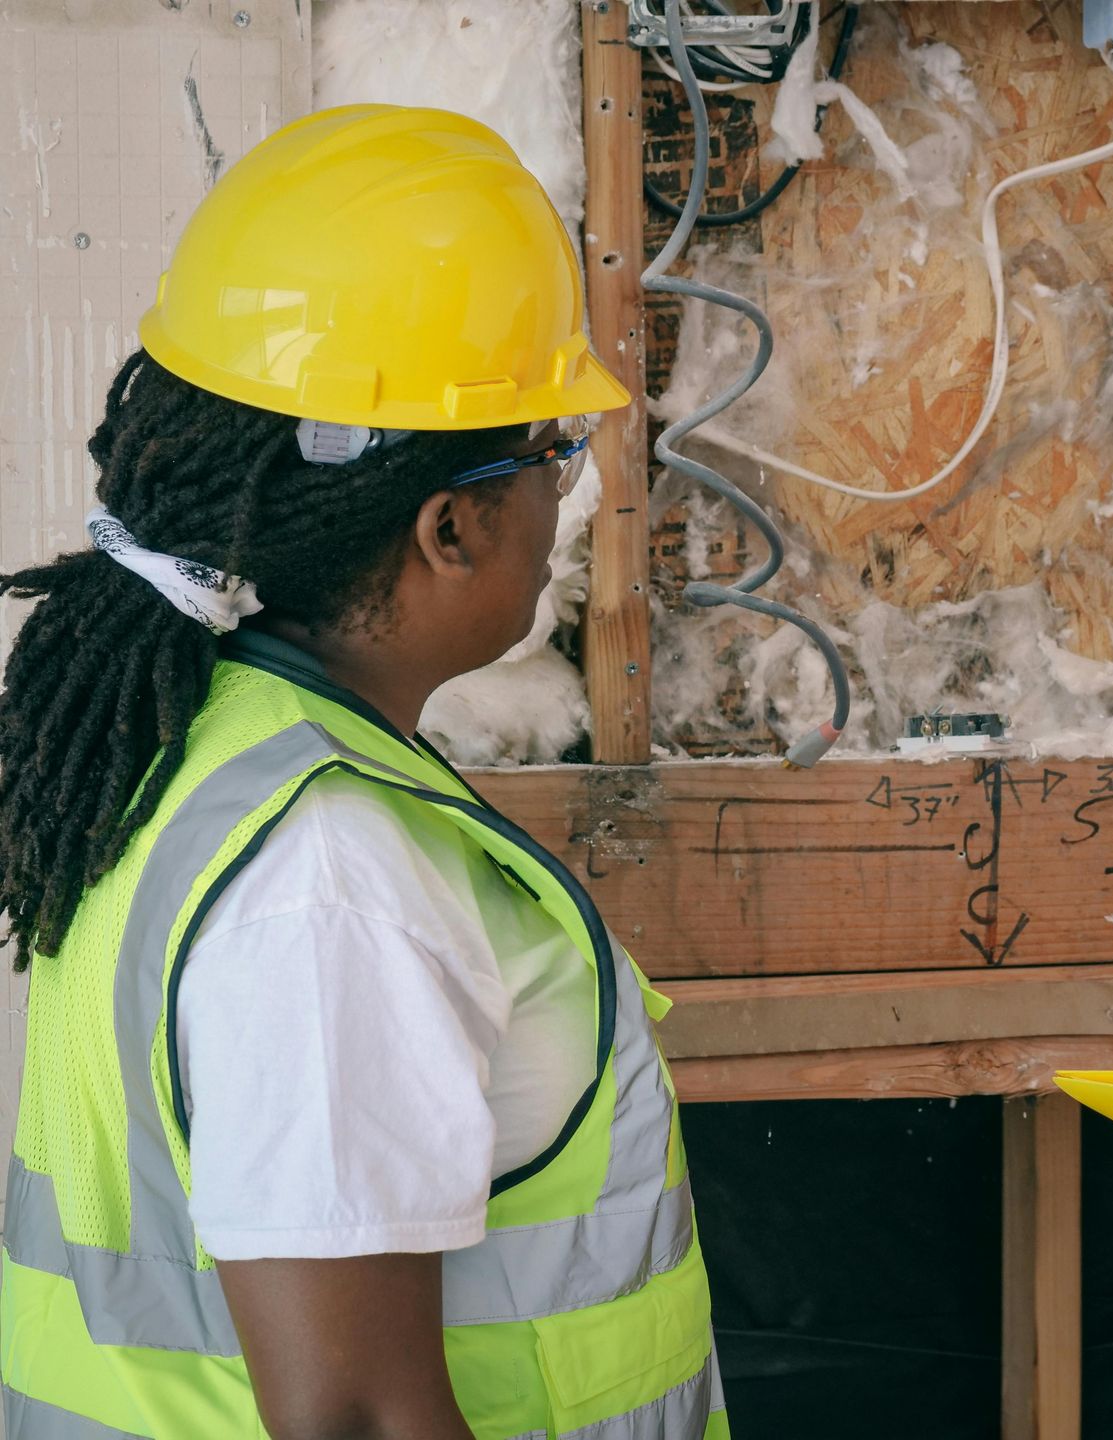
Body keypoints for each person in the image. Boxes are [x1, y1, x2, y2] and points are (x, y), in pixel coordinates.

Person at [0, 106, 726, 1439]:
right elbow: (354, 1415)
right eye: (556, 450)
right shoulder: (327, 881)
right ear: (452, 525)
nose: (572, 489)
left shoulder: (210, 742)